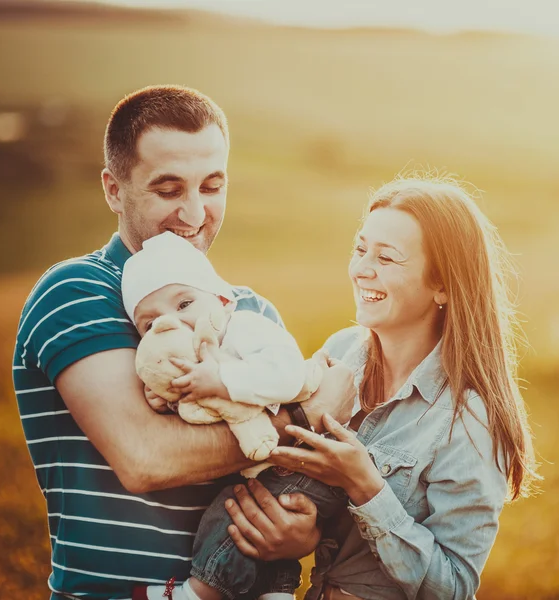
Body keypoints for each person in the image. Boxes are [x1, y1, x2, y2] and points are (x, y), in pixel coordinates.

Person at [12, 85, 355, 600]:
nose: (194, 215)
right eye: (169, 190)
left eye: (212, 186)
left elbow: (291, 477)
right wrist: (296, 418)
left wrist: (300, 535)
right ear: (113, 189)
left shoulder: (250, 311)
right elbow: (146, 459)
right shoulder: (77, 291)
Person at [229, 175, 539, 599]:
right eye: (360, 250)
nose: (361, 269)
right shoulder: (339, 354)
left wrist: (366, 486)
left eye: (387, 259)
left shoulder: (468, 419)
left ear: (443, 284)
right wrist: (304, 536)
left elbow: (453, 588)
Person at [120, 231, 348, 600]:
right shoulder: (199, 362)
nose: (172, 324)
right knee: (261, 518)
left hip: (304, 465)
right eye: (150, 324)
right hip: (273, 468)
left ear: (223, 301)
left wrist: (222, 381)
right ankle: (276, 592)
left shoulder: (245, 328)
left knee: (231, 513)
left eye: (184, 304)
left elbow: (287, 374)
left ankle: (195, 593)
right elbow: (209, 413)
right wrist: (169, 398)